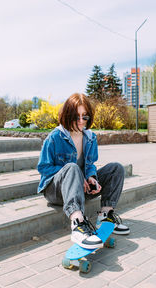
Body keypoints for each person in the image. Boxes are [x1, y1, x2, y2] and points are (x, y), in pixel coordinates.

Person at [37, 93, 130, 249]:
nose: (81, 121)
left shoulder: (90, 137)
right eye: (76, 117)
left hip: (80, 189)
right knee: (72, 168)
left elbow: (90, 164)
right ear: (67, 115)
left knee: (116, 168)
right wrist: (78, 177)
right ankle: (78, 224)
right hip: (56, 192)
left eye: (84, 117)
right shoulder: (55, 137)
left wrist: (91, 177)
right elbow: (44, 167)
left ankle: (105, 216)